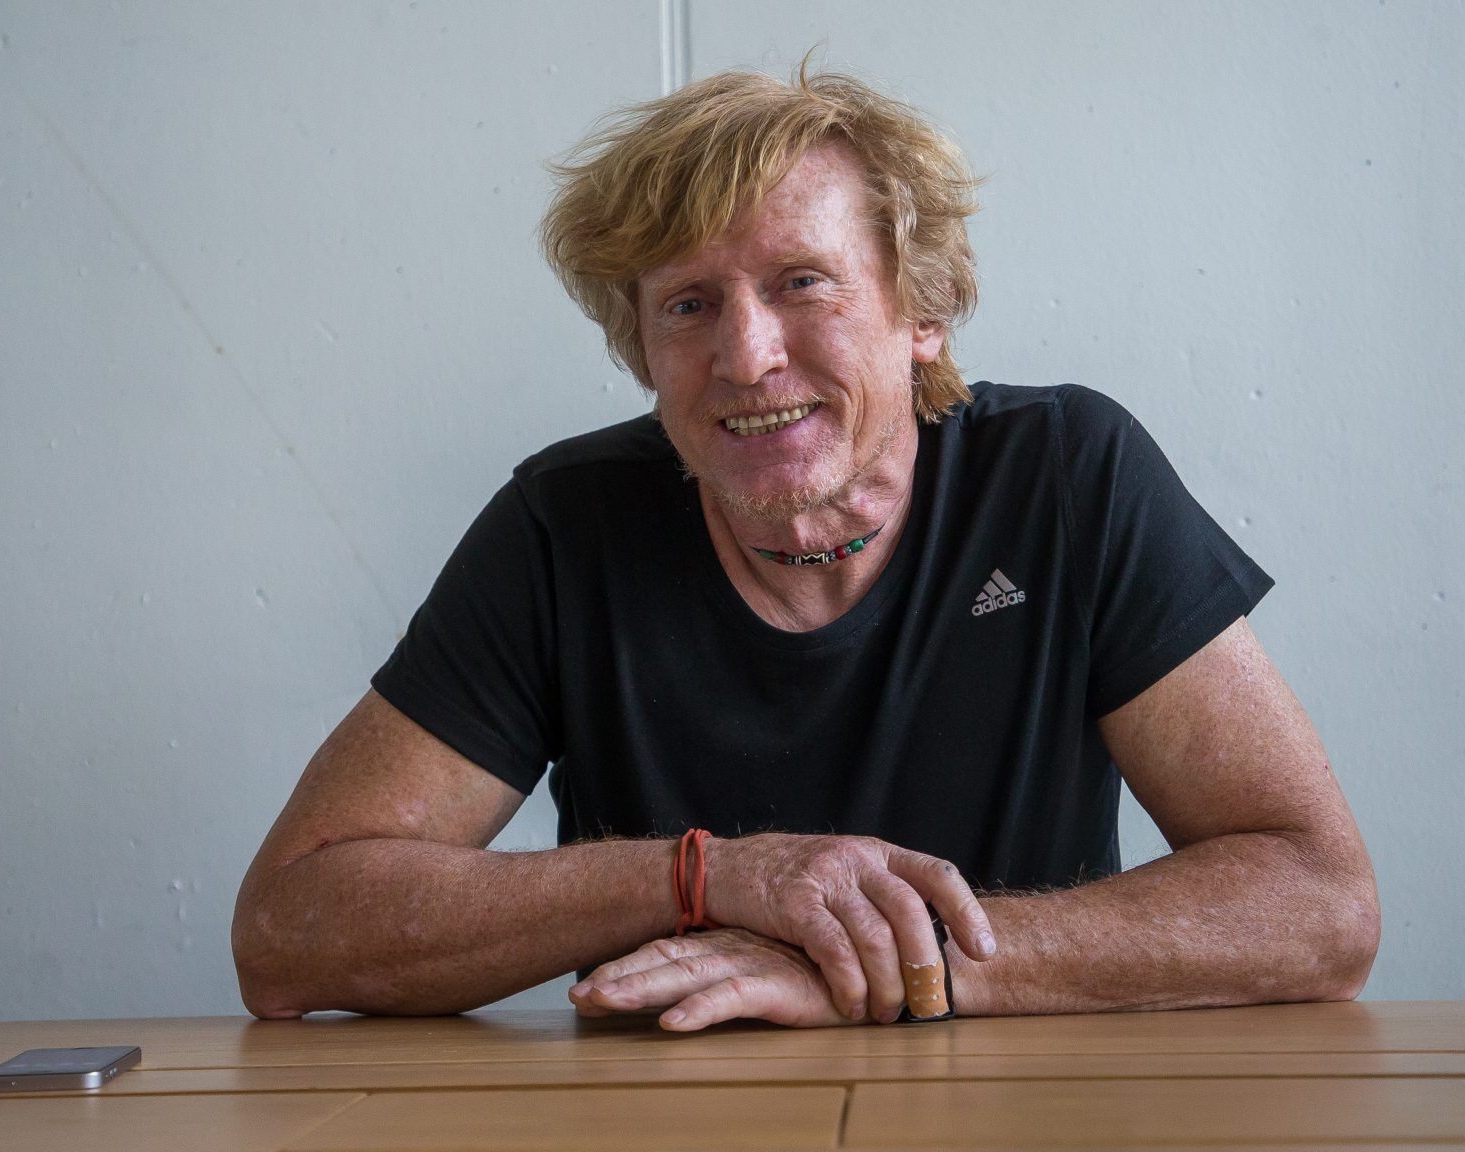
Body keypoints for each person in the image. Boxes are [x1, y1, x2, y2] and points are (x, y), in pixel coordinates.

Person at [231, 65, 1380, 1031]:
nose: (746, 357)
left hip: (1025, 1107)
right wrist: (706, 878)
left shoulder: (1070, 478)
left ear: (923, 311)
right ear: (642, 350)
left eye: (801, 284)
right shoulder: (562, 529)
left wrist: (897, 966)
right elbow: (289, 931)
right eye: (688, 305)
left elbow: (1321, 904)